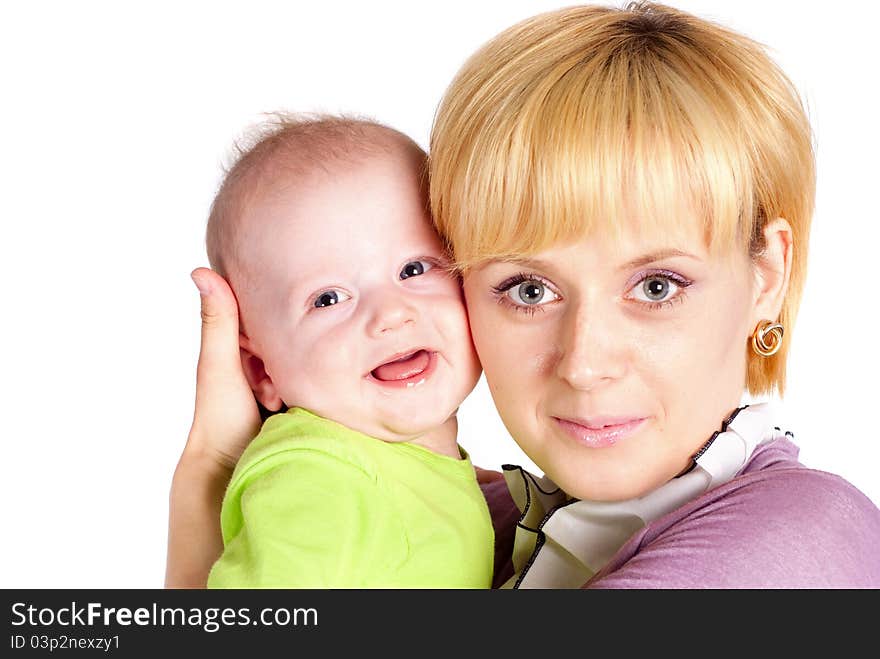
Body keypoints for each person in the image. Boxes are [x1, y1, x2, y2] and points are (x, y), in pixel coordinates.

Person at [167, 2, 880, 589]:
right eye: (528, 287)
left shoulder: (797, 544)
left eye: (657, 285)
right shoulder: (460, 514)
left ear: (766, 275)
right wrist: (215, 472)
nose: (585, 362)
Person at [186, 114, 492, 588]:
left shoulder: (401, 468)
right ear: (260, 371)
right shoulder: (316, 479)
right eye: (327, 299)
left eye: (414, 269)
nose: (391, 313)